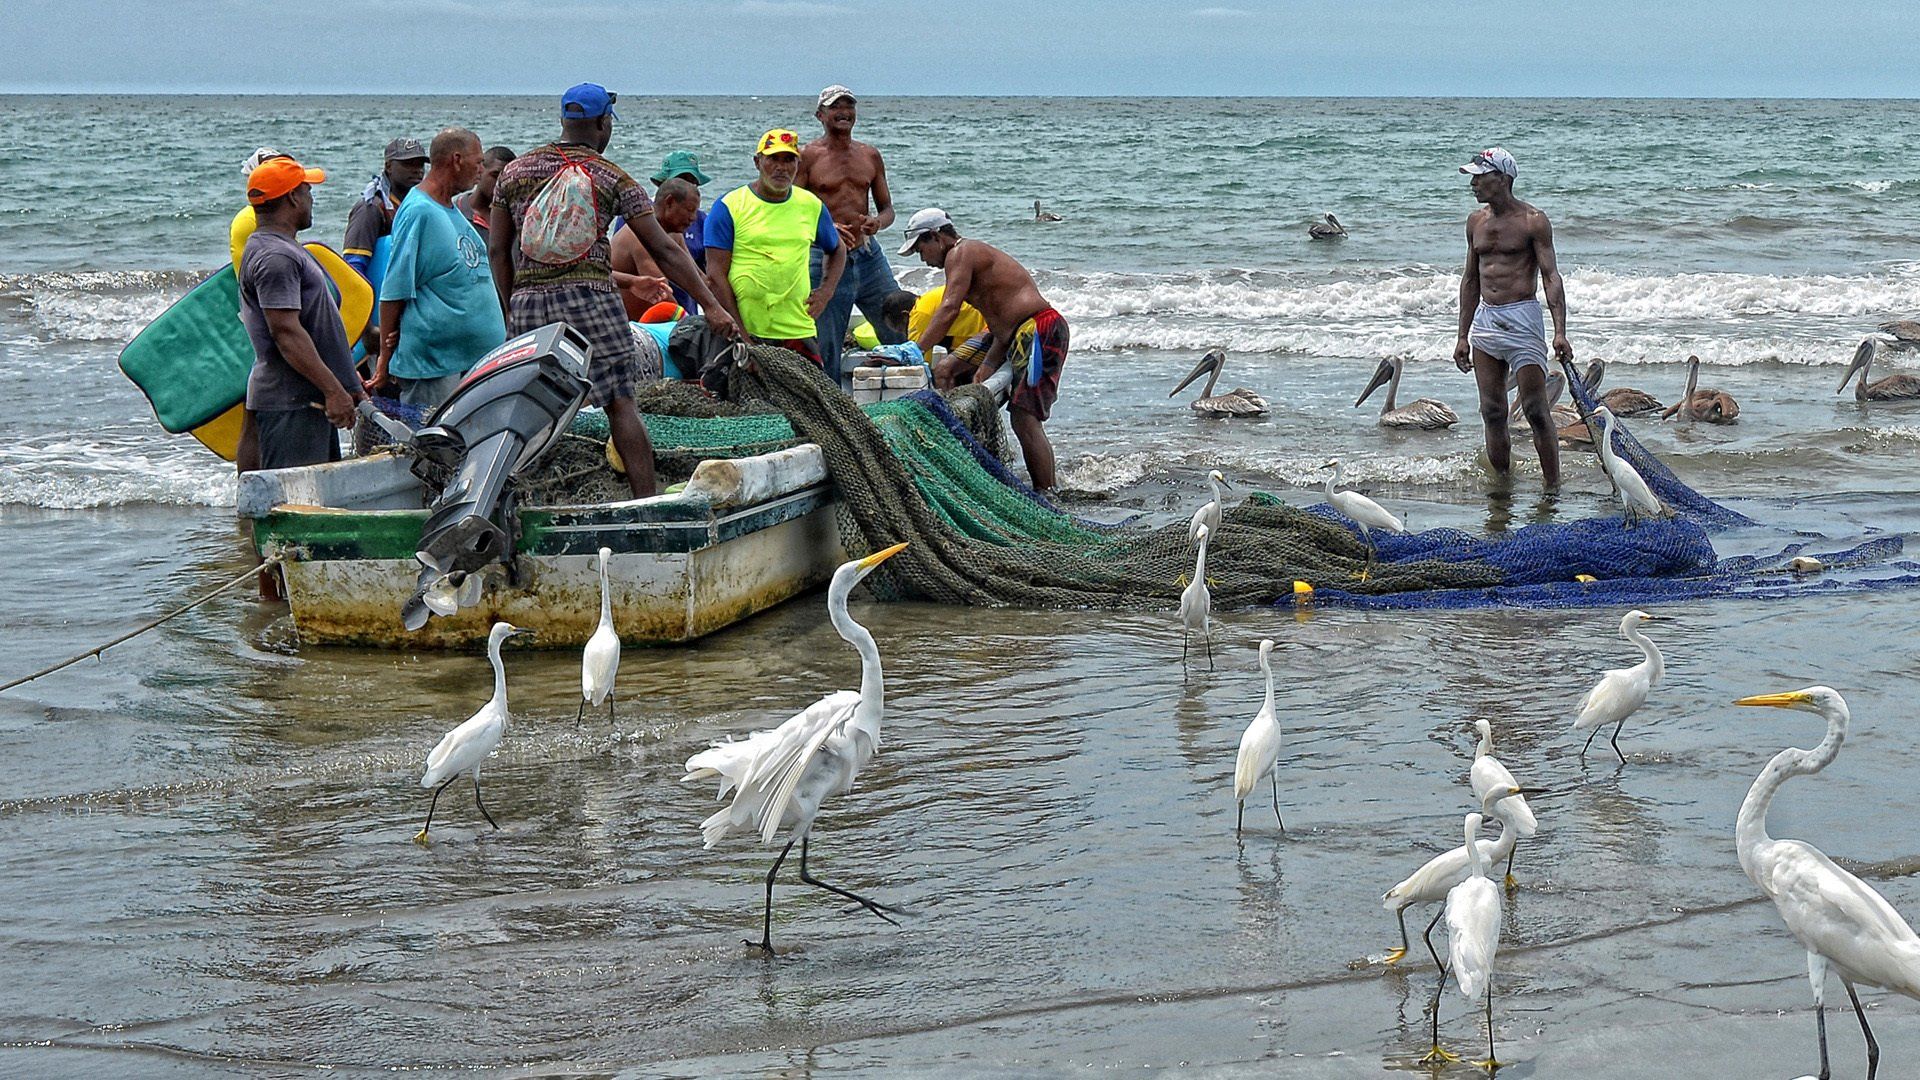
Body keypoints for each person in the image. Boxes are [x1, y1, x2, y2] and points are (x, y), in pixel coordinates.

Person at [489, 83, 738, 499]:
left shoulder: (515, 173)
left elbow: (498, 250)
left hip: (530, 304)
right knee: (620, 404)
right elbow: (663, 248)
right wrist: (712, 306)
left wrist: (511, 309)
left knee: (528, 407)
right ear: (604, 124)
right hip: (593, 302)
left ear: (563, 121)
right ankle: (645, 504)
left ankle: (516, 497)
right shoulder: (613, 177)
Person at [900, 209, 1068, 491]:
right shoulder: (961, 258)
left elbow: (950, 307)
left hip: (1039, 329)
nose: (923, 259)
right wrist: (988, 365)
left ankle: (1047, 495)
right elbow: (999, 322)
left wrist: (915, 349)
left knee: (1024, 419)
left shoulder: (960, 253)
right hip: (1006, 334)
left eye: (921, 248)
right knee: (945, 371)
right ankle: (962, 459)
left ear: (937, 237)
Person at [1453, 146, 1571, 488]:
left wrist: (1560, 331)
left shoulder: (1533, 221)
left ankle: (1552, 488)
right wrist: (1462, 335)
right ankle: (1502, 487)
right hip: (1486, 322)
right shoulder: (1475, 222)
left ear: (1502, 179)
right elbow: (1470, 279)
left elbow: (1551, 276)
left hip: (1523, 319)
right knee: (1492, 411)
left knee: (1535, 410)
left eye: (1480, 177)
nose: (1473, 184)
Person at [238, 156, 367, 471]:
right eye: (307, 191)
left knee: (312, 506)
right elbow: (286, 333)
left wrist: (347, 383)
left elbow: (313, 327)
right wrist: (333, 390)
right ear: (293, 197)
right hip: (291, 404)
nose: (311, 200)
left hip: (301, 399)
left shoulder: (275, 247)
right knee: (294, 508)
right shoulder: (276, 257)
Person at [372, 128, 506, 412]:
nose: (481, 170)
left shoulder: (451, 208)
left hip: (470, 360)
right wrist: (384, 357)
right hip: (436, 365)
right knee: (435, 447)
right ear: (456, 160)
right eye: (478, 162)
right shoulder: (419, 211)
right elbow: (394, 289)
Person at [704, 129, 845, 363]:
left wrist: (826, 292)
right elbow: (716, 275)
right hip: (745, 329)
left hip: (797, 329)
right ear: (757, 162)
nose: (781, 167)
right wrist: (742, 336)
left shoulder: (811, 206)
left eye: (789, 159)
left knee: (809, 396)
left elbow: (838, 249)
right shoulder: (729, 206)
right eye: (773, 159)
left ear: (798, 164)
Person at [797, 85, 904, 381]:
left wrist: (877, 223)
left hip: (868, 255)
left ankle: (911, 392)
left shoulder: (869, 155)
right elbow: (791, 210)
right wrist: (825, 228)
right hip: (825, 257)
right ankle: (830, 409)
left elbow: (888, 209)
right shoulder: (807, 156)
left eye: (849, 106)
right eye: (835, 107)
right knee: (826, 342)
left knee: (897, 324)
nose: (844, 112)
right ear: (821, 115)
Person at [610, 177, 702, 320]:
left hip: (654, 324)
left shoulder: (674, 233)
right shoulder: (639, 236)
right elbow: (662, 294)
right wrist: (693, 324)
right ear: (669, 203)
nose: (693, 218)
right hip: (633, 327)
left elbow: (697, 277)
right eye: (689, 210)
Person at [344, 137, 429, 281]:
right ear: (389, 166)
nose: (417, 171)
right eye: (408, 164)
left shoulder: (416, 205)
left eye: (420, 165)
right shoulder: (371, 207)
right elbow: (354, 265)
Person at [880, 287, 990, 390]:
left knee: (942, 372)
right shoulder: (930, 301)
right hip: (989, 322)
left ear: (905, 316)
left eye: (901, 330)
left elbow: (917, 363)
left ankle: (949, 408)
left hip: (990, 330)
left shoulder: (918, 315)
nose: (905, 335)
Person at [651, 150, 711, 313]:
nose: (688, 187)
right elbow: (657, 286)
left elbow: (704, 274)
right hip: (654, 315)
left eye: (693, 183)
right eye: (682, 180)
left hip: (687, 307)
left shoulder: (702, 221)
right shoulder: (640, 221)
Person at [452, 146, 515, 246]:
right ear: (480, 172)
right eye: (495, 176)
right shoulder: (454, 212)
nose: (501, 184)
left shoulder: (516, 218)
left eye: (508, 180)